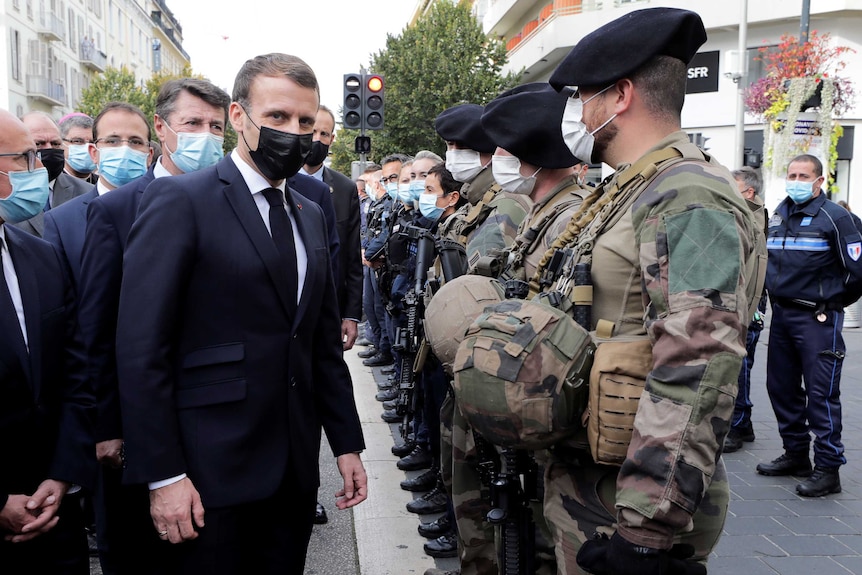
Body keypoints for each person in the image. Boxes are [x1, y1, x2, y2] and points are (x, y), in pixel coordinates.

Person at [115, 53, 367, 574]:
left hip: (294, 471)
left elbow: (318, 343)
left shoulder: (312, 213)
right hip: (208, 474)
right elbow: (142, 349)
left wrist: (346, 444)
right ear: (237, 116)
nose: (294, 133)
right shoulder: (180, 202)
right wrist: (164, 476)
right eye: (276, 118)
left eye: (304, 121)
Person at [537, 8, 761, 573]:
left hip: (630, 502)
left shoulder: (687, 194)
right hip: (596, 473)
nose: (576, 113)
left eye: (583, 96)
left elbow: (699, 360)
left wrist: (645, 530)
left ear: (620, 96)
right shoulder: (636, 186)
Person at [79, 78, 230, 575]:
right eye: (193, 124)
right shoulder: (115, 211)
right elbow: (99, 328)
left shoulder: (234, 204)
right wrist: (109, 428)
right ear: (162, 128)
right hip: (142, 428)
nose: (205, 136)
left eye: (215, 126)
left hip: (218, 423)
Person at [0, 108, 95, 574]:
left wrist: (63, 473)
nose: (41, 171)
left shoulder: (42, 256)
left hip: (55, 510)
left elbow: (75, 370)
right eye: (26, 159)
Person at [756, 153, 862, 497]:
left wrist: (832, 303)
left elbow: (856, 270)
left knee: (821, 394)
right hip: (783, 316)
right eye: (792, 174)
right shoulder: (778, 214)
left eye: (804, 176)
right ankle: (796, 453)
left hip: (818, 317)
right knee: (781, 387)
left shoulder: (836, 217)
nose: (796, 181)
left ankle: (828, 469)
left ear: (819, 181)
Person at [42, 103, 153, 289]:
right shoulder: (60, 222)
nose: (124, 149)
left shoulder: (172, 210)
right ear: (94, 153)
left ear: (149, 156)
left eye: (135, 141)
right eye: (112, 141)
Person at [300, 105, 363, 350]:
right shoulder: (278, 181)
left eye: (324, 134)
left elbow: (352, 257)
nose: (317, 140)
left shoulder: (345, 189)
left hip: (330, 309)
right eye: (312, 131)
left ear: (332, 139)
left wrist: (351, 314)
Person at [724, 166, 767, 453]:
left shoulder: (754, 219)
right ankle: (745, 423)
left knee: (740, 368)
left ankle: (738, 426)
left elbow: (754, 270)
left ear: (749, 192)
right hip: (746, 304)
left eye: (733, 186)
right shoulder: (746, 214)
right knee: (742, 366)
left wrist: (750, 310)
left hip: (749, 306)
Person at [13, 112, 92, 238]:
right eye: (39, 143)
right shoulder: (5, 193)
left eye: (55, 143)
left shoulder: (88, 193)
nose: (49, 149)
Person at [59, 113, 97, 182]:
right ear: (61, 144)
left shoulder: (104, 186)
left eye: (92, 142)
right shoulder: (53, 185)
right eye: (77, 141)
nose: (87, 148)